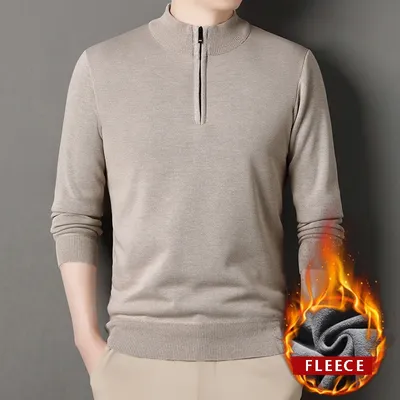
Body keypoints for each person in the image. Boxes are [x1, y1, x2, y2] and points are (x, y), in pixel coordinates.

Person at [50, 0, 345, 399]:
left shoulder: (294, 66)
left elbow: (321, 222)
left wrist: (312, 346)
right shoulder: (101, 66)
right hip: (134, 364)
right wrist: (87, 342)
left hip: (265, 363)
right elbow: (75, 216)